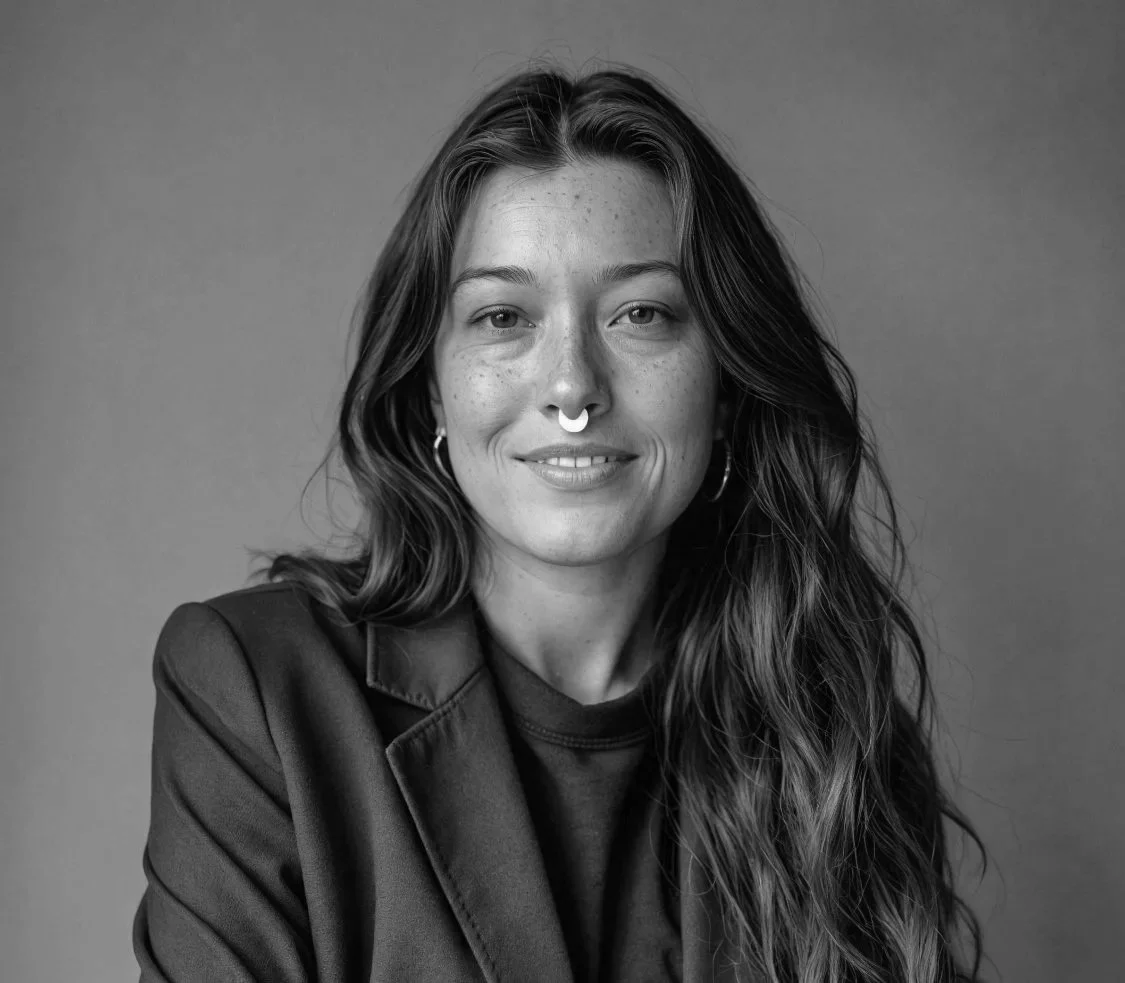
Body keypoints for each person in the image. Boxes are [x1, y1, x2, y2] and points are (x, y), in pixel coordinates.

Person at [132, 62, 987, 983]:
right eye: (503, 316)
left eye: (640, 314)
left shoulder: (832, 733)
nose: (573, 387)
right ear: (432, 384)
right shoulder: (256, 687)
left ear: (728, 386)